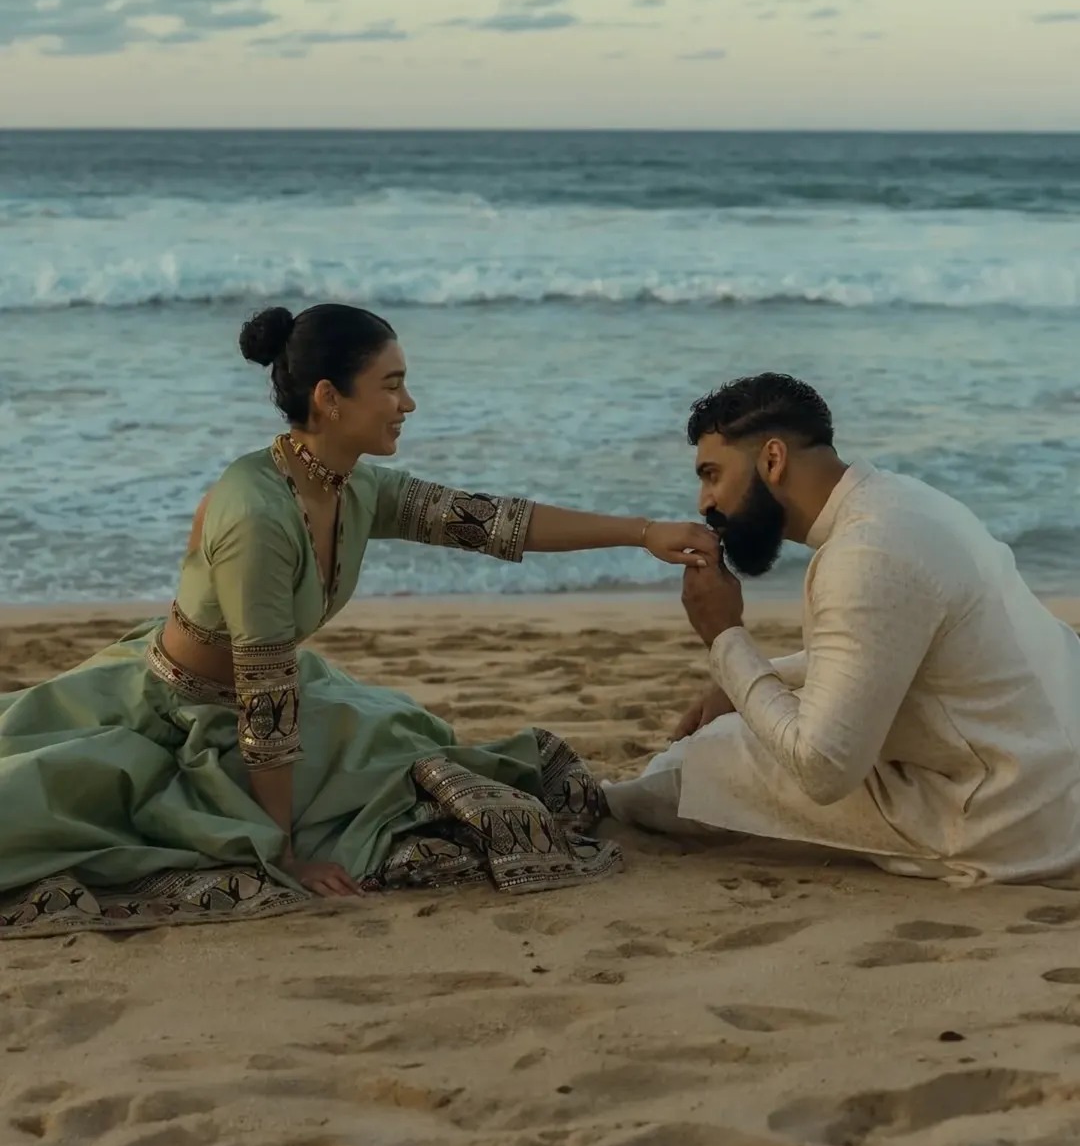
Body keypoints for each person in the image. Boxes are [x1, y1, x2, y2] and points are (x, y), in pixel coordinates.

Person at [0, 303, 716, 939]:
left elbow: (493, 522)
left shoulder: (351, 485)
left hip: (272, 707)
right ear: (328, 397)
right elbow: (265, 697)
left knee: (449, 780)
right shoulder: (256, 513)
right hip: (181, 718)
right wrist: (282, 853)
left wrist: (642, 533)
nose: (409, 403)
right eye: (391, 385)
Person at [603, 372, 1080, 886]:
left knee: (712, 759)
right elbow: (890, 649)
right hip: (1052, 776)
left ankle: (603, 806)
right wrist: (750, 681)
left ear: (772, 459)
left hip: (1006, 819)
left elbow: (823, 769)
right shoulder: (905, 500)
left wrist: (725, 637)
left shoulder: (864, 554)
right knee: (744, 723)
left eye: (712, 474)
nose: (704, 502)